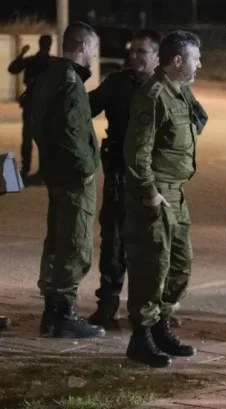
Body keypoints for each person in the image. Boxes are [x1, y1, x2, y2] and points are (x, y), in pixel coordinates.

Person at [86, 29, 208, 330]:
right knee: (116, 243)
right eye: (133, 50)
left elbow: (198, 117)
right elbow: (86, 109)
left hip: (157, 178)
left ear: (157, 56)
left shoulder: (176, 89)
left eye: (142, 51)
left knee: (162, 254)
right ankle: (111, 307)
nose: (135, 56)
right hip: (124, 174)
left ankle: (158, 315)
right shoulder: (120, 84)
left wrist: (174, 138)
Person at [123, 30, 202, 368]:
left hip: (176, 193)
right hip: (156, 194)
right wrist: (149, 192)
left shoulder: (179, 91)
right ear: (178, 60)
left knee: (180, 265)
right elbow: (137, 151)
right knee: (151, 267)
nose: (200, 64)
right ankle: (141, 338)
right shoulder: (153, 95)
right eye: (196, 58)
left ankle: (161, 327)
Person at [30, 22, 105, 339]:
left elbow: (38, 123)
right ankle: (65, 313)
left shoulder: (50, 75)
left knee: (57, 241)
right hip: (73, 177)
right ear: (83, 47)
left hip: (56, 172)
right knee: (75, 244)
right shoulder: (70, 81)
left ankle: (52, 312)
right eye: (94, 49)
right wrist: (86, 168)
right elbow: (71, 131)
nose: (95, 56)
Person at [7, 35, 53, 183]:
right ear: (50, 45)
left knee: (28, 137)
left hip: (32, 103)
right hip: (45, 105)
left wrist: (22, 53)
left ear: (39, 44)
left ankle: (26, 168)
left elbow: (12, 68)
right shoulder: (53, 63)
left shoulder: (32, 60)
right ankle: (43, 171)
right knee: (44, 138)